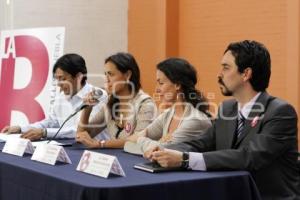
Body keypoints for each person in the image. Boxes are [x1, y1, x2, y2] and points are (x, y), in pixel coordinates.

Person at [145, 40, 300, 200]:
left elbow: (249, 157)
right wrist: (163, 149)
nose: (219, 74)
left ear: (246, 74)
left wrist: (184, 159)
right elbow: (201, 143)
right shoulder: (227, 108)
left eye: (226, 68)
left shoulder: (280, 112)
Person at [1, 53, 107, 141]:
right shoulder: (61, 96)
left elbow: (81, 130)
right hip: (69, 148)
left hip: (95, 152)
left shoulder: (97, 95)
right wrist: (21, 128)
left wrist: (45, 133)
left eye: (63, 79)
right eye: (57, 79)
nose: (59, 84)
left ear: (79, 76)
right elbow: (52, 122)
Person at [124, 58, 212, 155]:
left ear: (177, 85)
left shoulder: (195, 119)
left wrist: (141, 139)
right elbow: (128, 143)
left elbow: (163, 151)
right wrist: (158, 142)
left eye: (161, 83)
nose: (157, 89)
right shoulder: (167, 115)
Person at [76, 52, 156, 148]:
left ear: (127, 75)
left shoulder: (145, 104)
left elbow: (139, 140)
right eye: (105, 74)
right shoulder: (110, 103)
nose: (106, 79)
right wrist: (87, 109)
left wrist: (101, 144)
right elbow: (82, 136)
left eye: (110, 74)